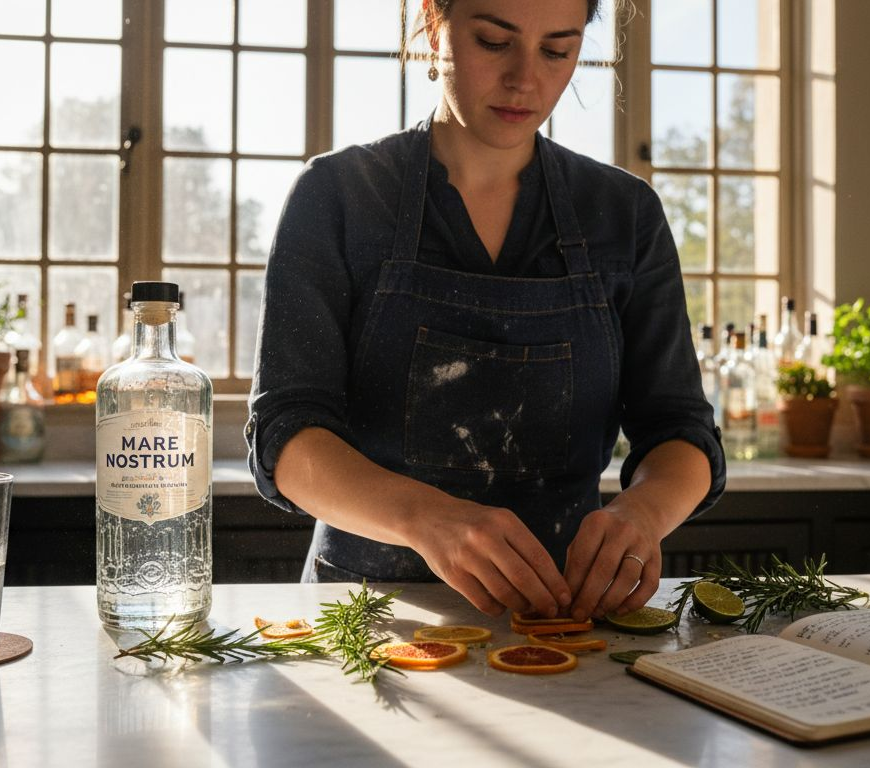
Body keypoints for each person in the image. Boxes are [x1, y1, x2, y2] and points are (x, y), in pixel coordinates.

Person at [246, 0, 725, 624]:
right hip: (367, 620)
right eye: (494, 42)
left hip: (567, 618)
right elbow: (285, 436)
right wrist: (424, 518)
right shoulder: (338, 196)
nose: (526, 79)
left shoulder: (625, 215)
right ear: (432, 22)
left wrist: (643, 514)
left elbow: (681, 432)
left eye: (557, 50)